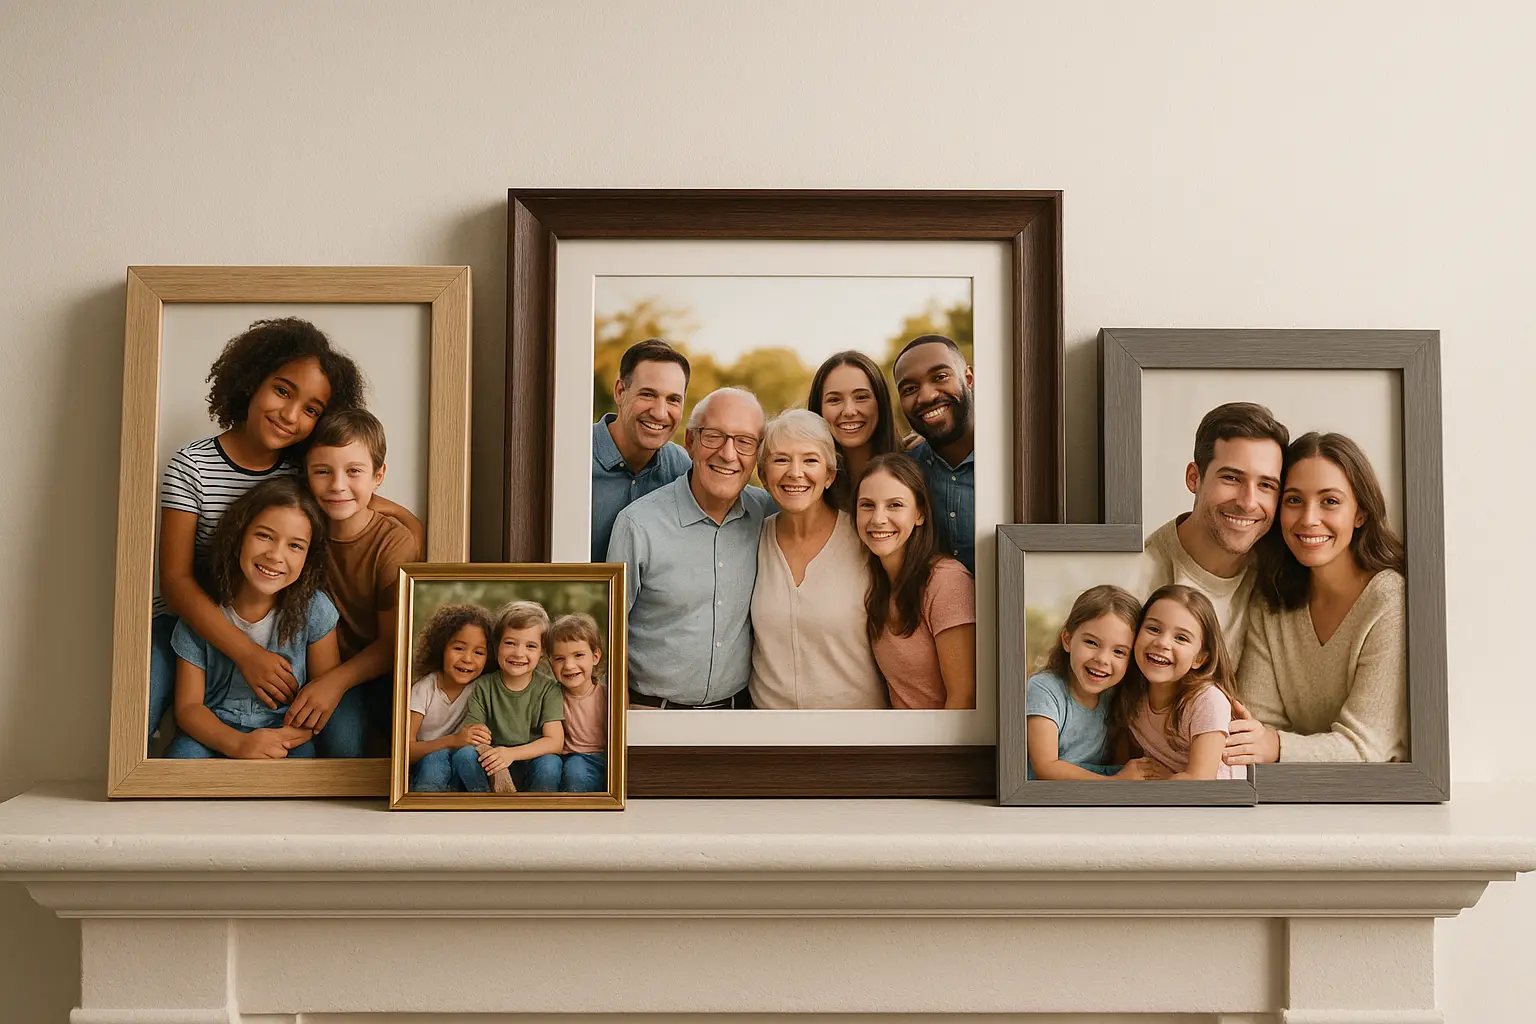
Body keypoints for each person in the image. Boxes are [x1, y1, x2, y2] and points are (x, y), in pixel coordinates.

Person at [149, 317, 366, 753]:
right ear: (250, 381)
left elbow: (359, 499)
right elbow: (174, 583)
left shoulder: (303, 475)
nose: (290, 415)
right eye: (283, 391)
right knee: (142, 699)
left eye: (311, 409)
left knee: (346, 731)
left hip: (280, 624)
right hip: (192, 620)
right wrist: (246, 654)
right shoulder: (191, 466)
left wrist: (412, 523)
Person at [1224, 432, 1408, 765]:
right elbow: (1252, 729)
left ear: (1360, 513)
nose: (1308, 519)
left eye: (1330, 501)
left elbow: (1367, 748)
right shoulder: (1271, 602)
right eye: (1294, 500)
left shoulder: (1388, 599)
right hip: (1291, 798)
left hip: (1384, 806)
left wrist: (1277, 747)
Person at [607, 387, 774, 709]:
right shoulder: (638, 525)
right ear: (690, 442)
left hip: (739, 717)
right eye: (713, 436)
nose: (728, 454)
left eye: (744, 442)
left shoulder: (768, 515)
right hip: (650, 713)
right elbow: (608, 633)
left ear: (757, 454)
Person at [164, 478, 338, 759]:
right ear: (239, 536)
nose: (275, 555)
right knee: (180, 759)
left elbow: (322, 701)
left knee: (305, 770)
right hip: (213, 735)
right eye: (264, 536)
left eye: (295, 546)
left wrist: (280, 740)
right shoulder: (202, 610)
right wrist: (239, 745)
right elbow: (188, 708)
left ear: (309, 557)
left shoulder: (314, 609)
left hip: (287, 736)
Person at [291, 408, 420, 756]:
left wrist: (334, 683)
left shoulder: (393, 543)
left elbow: (392, 643)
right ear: (306, 474)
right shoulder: (300, 528)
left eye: (353, 472)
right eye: (322, 472)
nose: (337, 485)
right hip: (315, 668)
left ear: (378, 476)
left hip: (373, 672)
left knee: (344, 746)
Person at [748, 410, 886, 709]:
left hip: (856, 734)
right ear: (763, 474)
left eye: (810, 460)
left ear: (829, 475)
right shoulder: (751, 540)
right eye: (781, 459)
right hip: (770, 739)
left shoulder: (864, 540)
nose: (795, 472)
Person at [1134, 401, 1289, 664]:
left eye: (1265, 485)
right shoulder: (1140, 583)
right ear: (1194, 478)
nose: (1248, 502)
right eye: (1231, 478)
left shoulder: (1283, 573)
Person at [854, 453, 975, 710]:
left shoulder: (947, 582)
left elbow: (964, 699)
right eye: (867, 505)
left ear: (919, 514)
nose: (878, 519)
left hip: (941, 746)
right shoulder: (876, 584)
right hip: (901, 743)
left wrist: (938, 752)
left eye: (894, 505)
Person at [1026, 584, 1161, 780]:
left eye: (1119, 652)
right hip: (1053, 793)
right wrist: (1114, 783)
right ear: (1067, 639)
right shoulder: (1045, 688)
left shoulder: (1116, 694)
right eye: (1091, 643)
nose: (1102, 659)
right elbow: (1045, 767)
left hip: (1098, 792)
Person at [1118, 585, 1243, 780]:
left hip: (1221, 804)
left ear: (1200, 659)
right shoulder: (1133, 693)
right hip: (1171, 797)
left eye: (1181, 638)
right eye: (1153, 628)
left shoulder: (1208, 700)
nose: (1162, 643)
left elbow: (1200, 781)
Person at [590, 338, 693, 562]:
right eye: (648, 394)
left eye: (673, 400)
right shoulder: (572, 458)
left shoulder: (682, 469)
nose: (660, 412)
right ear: (620, 392)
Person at [451, 601, 565, 793]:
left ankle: (537, 813)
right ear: (497, 646)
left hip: (530, 763)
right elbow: (473, 734)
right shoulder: (483, 685)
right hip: (493, 766)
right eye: (510, 643)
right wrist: (489, 749)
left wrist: (511, 754)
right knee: (464, 756)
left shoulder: (549, 689)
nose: (519, 653)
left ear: (542, 653)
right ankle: (487, 803)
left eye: (530, 646)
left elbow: (555, 741)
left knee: (550, 764)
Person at [892, 334, 975, 574]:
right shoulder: (904, 472)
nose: (927, 396)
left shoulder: (1016, 460)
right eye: (910, 388)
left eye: (940, 377)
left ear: (968, 378)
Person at [405, 604, 496, 792]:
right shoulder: (424, 689)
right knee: (435, 758)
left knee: (468, 757)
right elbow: (405, 750)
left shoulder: (482, 689)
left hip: (461, 767)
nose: (468, 659)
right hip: (427, 767)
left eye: (478, 652)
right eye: (459, 648)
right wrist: (452, 740)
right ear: (441, 649)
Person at [806, 350, 899, 514]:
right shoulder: (805, 481)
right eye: (834, 400)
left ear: (881, 403)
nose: (849, 411)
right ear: (818, 409)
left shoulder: (916, 466)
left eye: (861, 397)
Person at [546, 613, 609, 793]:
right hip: (566, 758)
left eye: (578, 655)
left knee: (576, 771)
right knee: (565, 769)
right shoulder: (551, 696)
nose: (569, 665)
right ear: (550, 661)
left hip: (599, 758)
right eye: (559, 658)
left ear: (595, 657)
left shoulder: (606, 695)